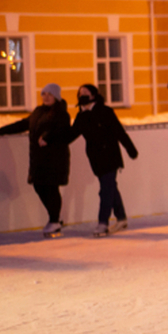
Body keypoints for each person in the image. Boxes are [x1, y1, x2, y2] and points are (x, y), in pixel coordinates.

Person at [0, 83, 71, 237]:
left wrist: (47, 137)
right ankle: (55, 217)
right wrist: (4, 130)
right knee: (39, 186)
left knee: (51, 188)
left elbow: (62, 130)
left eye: (50, 94)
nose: (46, 97)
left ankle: (54, 220)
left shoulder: (61, 113)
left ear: (56, 96)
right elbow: (25, 123)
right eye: (44, 94)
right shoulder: (38, 111)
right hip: (39, 158)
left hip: (55, 158)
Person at [68, 84, 138, 237]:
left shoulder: (105, 112)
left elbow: (119, 131)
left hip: (110, 156)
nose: (82, 96)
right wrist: (51, 140)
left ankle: (102, 223)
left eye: (86, 93)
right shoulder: (81, 116)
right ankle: (121, 218)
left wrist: (130, 149)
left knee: (105, 190)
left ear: (93, 95)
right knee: (110, 187)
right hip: (96, 159)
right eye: (80, 94)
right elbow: (70, 135)